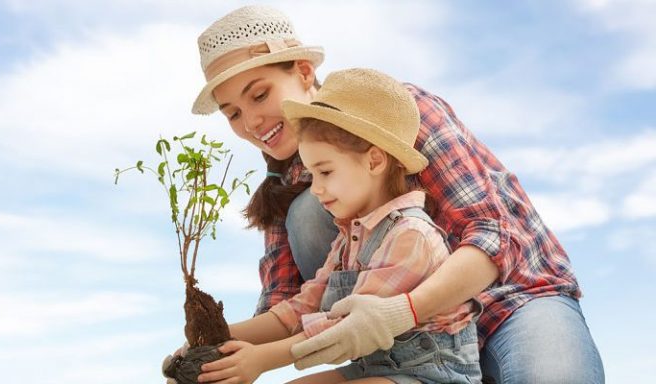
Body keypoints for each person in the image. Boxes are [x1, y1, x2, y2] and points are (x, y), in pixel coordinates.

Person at [164, 5, 604, 383]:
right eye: (233, 113)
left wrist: (401, 311)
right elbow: (289, 304)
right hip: (398, 344)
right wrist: (211, 350)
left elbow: (490, 235)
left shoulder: (396, 113)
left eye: (260, 95)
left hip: (508, 300)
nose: (252, 122)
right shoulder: (288, 185)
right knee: (306, 211)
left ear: (303, 72)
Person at [198, 67, 484, 383]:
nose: (315, 187)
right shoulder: (350, 235)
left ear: (374, 161)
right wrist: (217, 340)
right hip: (376, 365)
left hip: (432, 373)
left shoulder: (410, 235)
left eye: (325, 172)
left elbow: (345, 326)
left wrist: (262, 360)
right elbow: (304, 306)